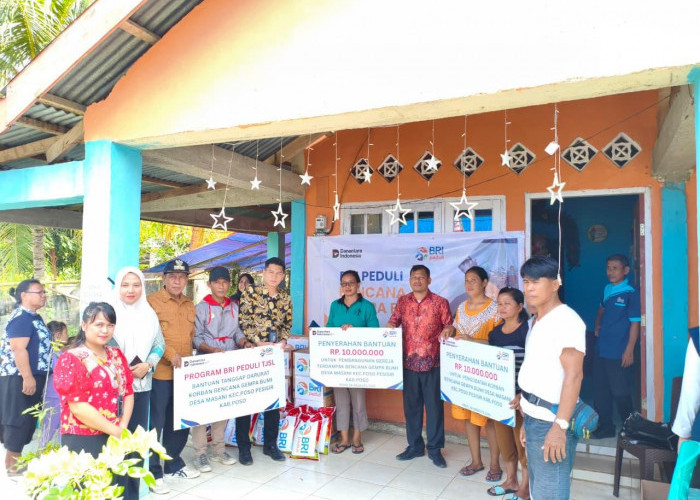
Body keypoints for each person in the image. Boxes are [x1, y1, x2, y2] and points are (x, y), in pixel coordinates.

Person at [517, 256, 585, 500]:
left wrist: (560, 427)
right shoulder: (535, 321)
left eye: (536, 282)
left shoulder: (566, 321)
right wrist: (526, 419)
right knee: (538, 490)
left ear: (555, 284)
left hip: (551, 421)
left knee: (550, 492)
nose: (529, 288)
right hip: (534, 418)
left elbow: (574, 376)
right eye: (526, 282)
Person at [387, 264, 453, 468]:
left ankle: (435, 449)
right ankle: (415, 446)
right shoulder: (402, 301)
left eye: (421, 277)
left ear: (429, 280)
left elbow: (449, 325)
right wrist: (390, 327)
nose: (417, 280)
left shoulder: (440, 302)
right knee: (412, 408)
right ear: (409, 280)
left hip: (433, 363)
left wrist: (449, 330)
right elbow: (393, 321)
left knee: (434, 408)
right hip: (408, 364)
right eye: (414, 277)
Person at [109, 267, 165, 500]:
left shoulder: (149, 313)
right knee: (115, 440)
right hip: (114, 391)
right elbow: (103, 345)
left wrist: (148, 365)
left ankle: (132, 494)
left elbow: (159, 344)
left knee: (136, 441)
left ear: (143, 287)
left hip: (142, 386)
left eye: (136, 285)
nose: (130, 290)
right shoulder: (108, 313)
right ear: (117, 287)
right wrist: (124, 370)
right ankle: (113, 492)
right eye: (125, 285)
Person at [53, 303, 134, 458]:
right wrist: (116, 431)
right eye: (99, 325)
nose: (105, 330)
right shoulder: (71, 358)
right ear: (84, 325)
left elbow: (128, 391)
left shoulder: (116, 354)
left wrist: (122, 427)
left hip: (117, 433)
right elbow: (78, 406)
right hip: (84, 438)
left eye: (110, 325)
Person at [147, 259, 199, 495]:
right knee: (155, 424)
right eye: (172, 277)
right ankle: (153, 471)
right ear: (164, 279)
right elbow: (151, 335)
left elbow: (191, 337)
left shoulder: (189, 304)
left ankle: (173, 463)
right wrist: (170, 354)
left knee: (179, 422)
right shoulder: (152, 302)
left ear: (187, 280)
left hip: (184, 375)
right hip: (160, 373)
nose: (177, 281)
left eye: (181, 277)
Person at [236, 257, 291, 464]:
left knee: (272, 401)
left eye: (278, 273)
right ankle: (244, 448)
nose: (274, 276)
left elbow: (287, 324)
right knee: (246, 401)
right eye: (271, 272)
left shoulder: (285, 298)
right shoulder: (250, 292)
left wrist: (283, 340)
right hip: (251, 352)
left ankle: (270, 445)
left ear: (283, 276)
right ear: (263, 273)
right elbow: (244, 321)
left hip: (273, 356)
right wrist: (258, 342)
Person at [191, 266, 245, 472]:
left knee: (223, 405)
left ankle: (219, 449)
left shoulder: (234, 307)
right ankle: (200, 453)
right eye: (217, 282)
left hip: (227, 360)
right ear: (209, 284)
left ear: (229, 284)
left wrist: (244, 342)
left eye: (225, 282)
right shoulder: (201, 308)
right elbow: (196, 338)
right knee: (202, 408)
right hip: (206, 361)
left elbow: (237, 332)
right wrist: (211, 349)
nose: (221, 286)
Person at [451, 266, 502, 481]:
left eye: (474, 280)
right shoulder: (461, 307)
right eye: (466, 280)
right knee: (468, 418)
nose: (469, 284)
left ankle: (495, 464)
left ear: (484, 283)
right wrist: (448, 331)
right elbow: (455, 332)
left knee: (488, 420)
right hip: (463, 372)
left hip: (486, 372)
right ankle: (476, 461)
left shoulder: (495, 308)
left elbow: (500, 342)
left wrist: (472, 341)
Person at [0, 279, 52, 476]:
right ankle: (13, 468)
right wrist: (27, 377)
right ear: (24, 295)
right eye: (39, 292)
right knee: (18, 421)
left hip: (31, 377)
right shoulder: (21, 318)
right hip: (19, 378)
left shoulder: (33, 317)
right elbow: (18, 349)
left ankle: (17, 463)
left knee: (26, 421)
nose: (44, 295)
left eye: (44, 292)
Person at [326, 270, 379, 454]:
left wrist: (354, 330)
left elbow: (375, 332)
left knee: (358, 400)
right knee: (341, 400)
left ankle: (357, 437)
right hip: (339, 360)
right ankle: (344, 438)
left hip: (358, 361)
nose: (347, 286)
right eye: (344, 283)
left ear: (358, 285)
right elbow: (329, 329)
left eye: (351, 283)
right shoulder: (335, 305)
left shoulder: (367, 306)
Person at [591, 254, 641, 439]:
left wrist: (629, 349)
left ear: (625, 270)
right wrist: (597, 323)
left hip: (619, 351)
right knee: (600, 389)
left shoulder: (631, 292)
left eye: (615, 268)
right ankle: (606, 427)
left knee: (620, 391)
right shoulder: (608, 289)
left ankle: (630, 429)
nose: (610, 272)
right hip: (602, 349)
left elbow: (635, 323)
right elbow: (601, 308)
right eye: (608, 268)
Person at [487, 288, 530, 500]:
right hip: (500, 398)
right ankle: (511, 480)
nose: (502, 307)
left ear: (520, 306)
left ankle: (526, 486)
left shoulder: (528, 330)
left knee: (523, 444)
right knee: (505, 443)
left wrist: (523, 394)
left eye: (507, 303)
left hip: (522, 399)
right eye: (499, 303)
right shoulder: (495, 334)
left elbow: (535, 365)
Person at [39, 320, 68, 448]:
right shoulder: (51, 355)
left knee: (62, 430)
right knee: (48, 430)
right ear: (57, 335)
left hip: (61, 397)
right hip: (52, 397)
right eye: (66, 333)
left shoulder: (57, 354)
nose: (67, 336)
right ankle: (41, 453)